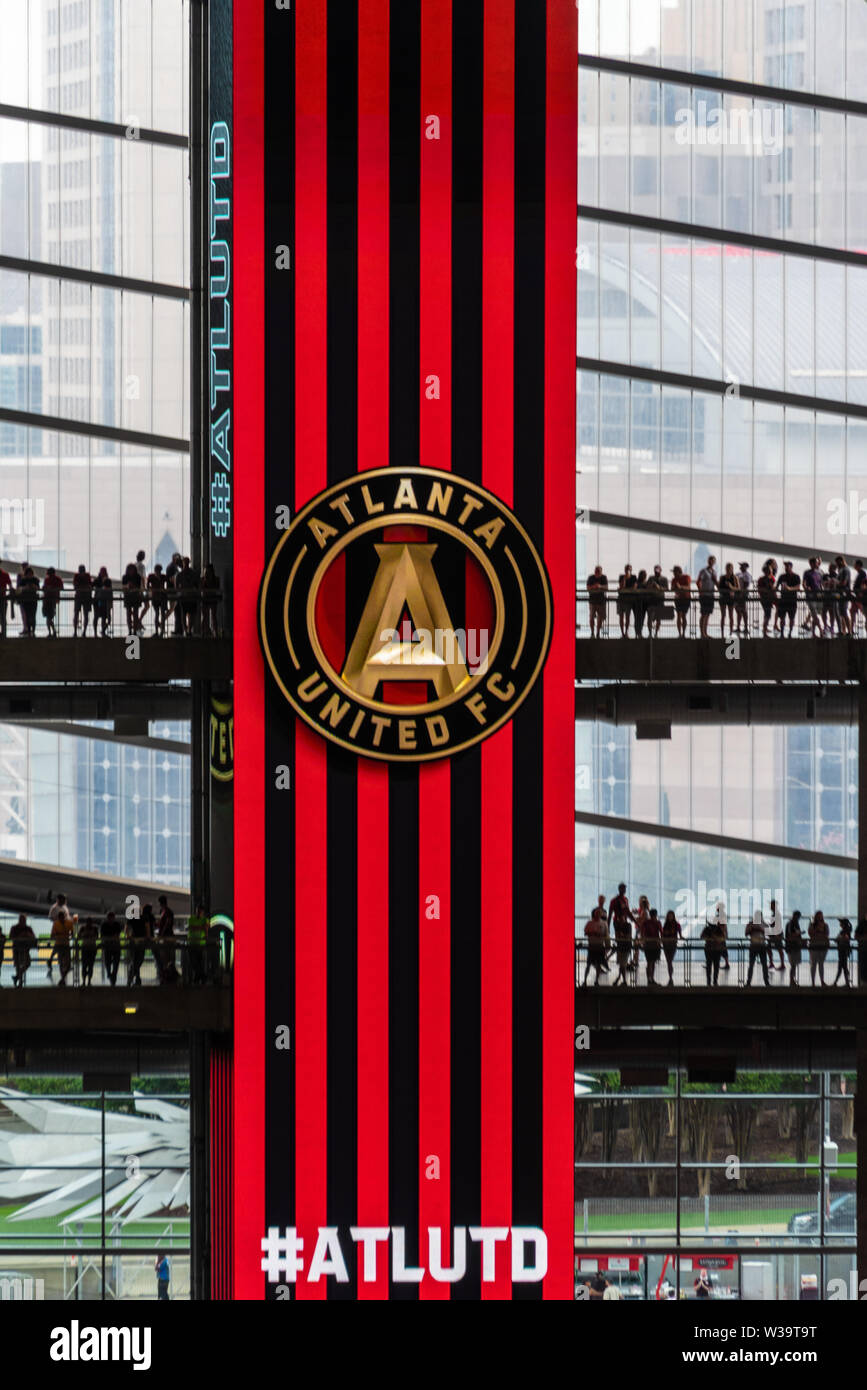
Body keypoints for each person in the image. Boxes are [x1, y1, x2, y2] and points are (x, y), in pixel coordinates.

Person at [581, 907, 607, 987]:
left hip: (599, 946)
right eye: (596, 913)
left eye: (599, 913)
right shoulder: (589, 923)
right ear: (594, 914)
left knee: (598, 964)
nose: (598, 914)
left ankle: (596, 981)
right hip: (592, 946)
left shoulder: (604, 923)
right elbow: (585, 933)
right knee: (588, 964)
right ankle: (585, 980)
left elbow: (605, 934)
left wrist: (600, 935)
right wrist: (592, 933)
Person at [126, 909, 151, 987]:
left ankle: (132, 978)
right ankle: (136, 978)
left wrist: (128, 936)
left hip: (134, 940)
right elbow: (147, 928)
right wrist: (148, 937)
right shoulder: (144, 918)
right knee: (139, 960)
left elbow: (126, 928)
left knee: (135, 960)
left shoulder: (131, 918)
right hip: (141, 940)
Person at [50, 908, 74, 987]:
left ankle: (63, 978)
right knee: (61, 963)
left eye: (62, 917)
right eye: (60, 917)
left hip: (66, 945)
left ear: (64, 917)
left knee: (68, 964)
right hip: (59, 945)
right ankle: (62, 978)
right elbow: (52, 935)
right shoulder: (56, 924)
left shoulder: (69, 923)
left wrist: (67, 935)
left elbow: (72, 933)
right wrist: (59, 935)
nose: (62, 919)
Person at [10, 914, 36, 986]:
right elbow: (11, 937)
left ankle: (18, 976)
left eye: (24, 920)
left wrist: (28, 935)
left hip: (25, 949)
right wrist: (20, 936)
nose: (23, 921)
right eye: (21, 920)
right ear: (19, 920)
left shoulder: (28, 928)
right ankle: (20, 981)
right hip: (17, 949)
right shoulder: (14, 928)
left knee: (27, 963)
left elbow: (33, 937)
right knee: (18, 965)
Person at [745, 910, 770, 986]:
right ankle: (750, 981)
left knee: (763, 965)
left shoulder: (763, 924)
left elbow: (769, 934)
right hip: (756, 945)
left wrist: (760, 930)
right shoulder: (751, 924)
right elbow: (746, 933)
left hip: (759, 945)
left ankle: (765, 981)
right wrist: (752, 929)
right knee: (753, 965)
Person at [187, 902, 209, 986]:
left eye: (200, 911)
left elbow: (205, 928)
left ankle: (197, 978)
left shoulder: (205, 920)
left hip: (200, 944)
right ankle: (203, 976)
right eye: (197, 911)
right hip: (192, 943)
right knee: (193, 962)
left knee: (199, 962)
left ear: (202, 912)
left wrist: (197, 928)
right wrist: (201, 927)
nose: (198, 912)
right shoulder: (192, 919)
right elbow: (191, 928)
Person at [156, 895, 177, 983]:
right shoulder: (167, 911)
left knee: (166, 957)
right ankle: (168, 975)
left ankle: (166, 976)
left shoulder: (165, 912)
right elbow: (165, 924)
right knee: (167, 957)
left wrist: (161, 934)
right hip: (167, 936)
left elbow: (166, 924)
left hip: (166, 937)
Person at [177, 556, 200, 635]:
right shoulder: (180, 575)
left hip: (191, 596)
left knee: (191, 614)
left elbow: (198, 585)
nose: (186, 564)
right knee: (184, 613)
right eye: (185, 562)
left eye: (187, 563)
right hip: (184, 596)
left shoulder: (193, 574)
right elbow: (176, 587)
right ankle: (186, 630)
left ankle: (189, 629)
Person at [700, 916, 726, 986]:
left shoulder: (714, 929)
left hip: (713, 949)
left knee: (713, 965)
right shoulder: (710, 929)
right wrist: (713, 938)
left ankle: (713, 981)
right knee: (713, 965)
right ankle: (712, 981)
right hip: (712, 949)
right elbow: (702, 936)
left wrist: (712, 937)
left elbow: (723, 938)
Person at [802, 557, 825, 636]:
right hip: (810, 595)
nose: (817, 564)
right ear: (811, 564)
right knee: (814, 614)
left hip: (818, 595)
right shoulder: (807, 572)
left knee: (814, 615)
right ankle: (821, 630)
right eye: (815, 562)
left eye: (817, 562)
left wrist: (823, 592)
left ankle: (813, 632)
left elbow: (822, 584)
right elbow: (804, 583)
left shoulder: (820, 572)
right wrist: (806, 588)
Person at [776, 561, 799, 636]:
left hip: (792, 600)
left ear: (791, 567)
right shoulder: (782, 576)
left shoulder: (796, 576)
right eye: (785, 566)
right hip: (783, 600)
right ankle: (782, 632)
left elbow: (798, 587)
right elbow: (776, 587)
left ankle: (790, 632)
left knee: (791, 618)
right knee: (782, 618)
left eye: (787, 566)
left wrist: (789, 588)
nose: (785, 568)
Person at [696, 555, 718, 638]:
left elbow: (715, 582)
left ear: (714, 562)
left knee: (708, 614)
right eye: (710, 560)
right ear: (708, 561)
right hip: (704, 595)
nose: (711, 562)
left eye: (713, 561)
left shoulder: (714, 572)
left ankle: (705, 632)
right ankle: (702, 633)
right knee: (704, 614)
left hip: (711, 595)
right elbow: (698, 581)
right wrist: (700, 591)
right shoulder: (703, 571)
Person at [15, 564, 39, 637]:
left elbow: (38, 587)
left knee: (33, 615)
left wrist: (33, 587)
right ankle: (29, 631)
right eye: (28, 573)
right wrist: (25, 587)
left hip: (32, 599)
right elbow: (19, 588)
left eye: (30, 573)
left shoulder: (35, 579)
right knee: (28, 615)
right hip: (26, 600)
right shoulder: (23, 580)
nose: (29, 575)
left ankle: (32, 631)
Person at [808, 910, 830, 986]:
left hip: (822, 946)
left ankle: (822, 981)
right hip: (814, 946)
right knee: (813, 964)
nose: (819, 917)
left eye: (821, 915)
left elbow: (826, 935)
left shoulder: (825, 925)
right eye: (818, 915)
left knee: (821, 964)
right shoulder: (811, 925)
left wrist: (818, 934)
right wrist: (818, 931)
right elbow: (811, 934)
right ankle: (813, 982)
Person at [101, 910, 122, 986]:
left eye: (112, 918)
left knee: (115, 963)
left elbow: (117, 934)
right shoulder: (105, 925)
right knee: (108, 963)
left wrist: (109, 938)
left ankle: (113, 976)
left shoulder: (116, 924)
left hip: (114, 947)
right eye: (110, 918)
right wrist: (112, 937)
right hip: (109, 947)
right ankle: (110, 974)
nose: (111, 919)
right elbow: (104, 935)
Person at [642, 907, 662, 985]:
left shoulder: (646, 923)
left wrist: (643, 942)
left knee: (650, 963)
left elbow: (643, 933)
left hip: (649, 944)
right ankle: (650, 979)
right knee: (651, 963)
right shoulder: (657, 923)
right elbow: (661, 932)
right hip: (653, 945)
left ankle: (650, 979)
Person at [586, 565, 607, 637]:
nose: (597, 572)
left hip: (601, 601)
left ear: (601, 571)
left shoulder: (604, 577)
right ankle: (592, 632)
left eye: (599, 571)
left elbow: (606, 587)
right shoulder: (591, 577)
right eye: (596, 571)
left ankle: (597, 632)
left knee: (600, 617)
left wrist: (600, 586)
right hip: (592, 600)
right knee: (591, 617)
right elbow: (588, 588)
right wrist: (594, 587)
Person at [662, 909, 682, 986]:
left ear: (673, 916)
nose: (670, 917)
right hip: (666, 944)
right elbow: (663, 934)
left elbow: (680, 934)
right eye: (669, 916)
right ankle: (670, 977)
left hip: (672, 944)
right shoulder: (665, 924)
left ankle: (670, 977)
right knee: (668, 961)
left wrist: (680, 937)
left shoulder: (676, 925)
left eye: (671, 916)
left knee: (669, 961)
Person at [42, 567, 63, 637]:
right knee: (49, 617)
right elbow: (61, 588)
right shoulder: (51, 579)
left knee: (49, 617)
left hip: (50, 599)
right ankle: (52, 631)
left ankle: (52, 631)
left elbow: (61, 588)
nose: (49, 575)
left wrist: (51, 589)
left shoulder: (53, 579)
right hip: (48, 599)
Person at [757, 561, 777, 638]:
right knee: (767, 615)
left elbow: (772, 588)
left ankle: (765, 629)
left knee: (767, 614)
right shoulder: (763, 579)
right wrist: (768, 591)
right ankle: (764, 631)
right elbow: (760, 589)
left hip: (769, 598)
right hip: (765, 599)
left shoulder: (771, 578)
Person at [718, 562, 738, 637]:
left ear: (732, 569)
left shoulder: (734, 577)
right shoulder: (722, 577)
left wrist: (731, 587)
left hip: (731, 598)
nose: (728, 570)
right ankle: (722, 632)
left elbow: (738, 588)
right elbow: (719, 588)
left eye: (730, 568)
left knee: (731, 615)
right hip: (723, 597)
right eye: (727, 568)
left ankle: (731, 631)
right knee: (723, 615)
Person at [122, 562, 142, 636]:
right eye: (130, 570)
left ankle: (134, 630)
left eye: (132, 570)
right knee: (129, 614)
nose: (131, 571)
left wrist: (132, 586)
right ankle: (130, 630)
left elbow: (139, 587)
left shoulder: (138, 577)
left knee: (135, 614)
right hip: (128, 597)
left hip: (135, 596)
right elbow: (123, 587)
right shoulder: (125, 577)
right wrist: (127, 586)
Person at [72, 564, 93, 635]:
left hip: (79, 596)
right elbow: (89, 586)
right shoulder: (87, 576)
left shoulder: (77, 576)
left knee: (77, 613)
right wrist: (85, 587)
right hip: (85, 596)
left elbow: (75, 586)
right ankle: (83, 631)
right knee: (84, 614)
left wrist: (80, 587)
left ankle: (76, 631)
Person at [77, 917, 98, 986]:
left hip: (90, 949)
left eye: (90, 922)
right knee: (85, 966)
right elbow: (79, 936)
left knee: (89, 966)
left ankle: (87, 981)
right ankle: (85, 981)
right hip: (87, 948)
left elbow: (97, 937)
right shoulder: (83, 928)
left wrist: (85, 936)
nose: (89, 923)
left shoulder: (94, 928)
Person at [785, 910, 804, 987]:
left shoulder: (792, 923)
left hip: (794, 946)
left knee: (794, 965)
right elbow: (790, 935)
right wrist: (799, 934)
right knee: (793, 965)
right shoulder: (791, 923)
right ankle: (791, 981)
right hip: (792, 946)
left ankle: (792, 980)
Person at [671, 565, 691, 637]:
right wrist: (674, 587)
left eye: (675, 572)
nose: (674, 574)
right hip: (678, 599)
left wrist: (680, 587)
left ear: (679, 572)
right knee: (679, 615)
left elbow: (688, 587)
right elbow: (672, 589)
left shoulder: (686, 577)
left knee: (683, 615)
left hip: (686, 599)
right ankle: (680, 633)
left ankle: (683, 633)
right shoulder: (674, 579)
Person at [93, 567, 113, 636]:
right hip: (99, 602)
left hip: (103, 602)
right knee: (98, 617)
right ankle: (98, 632)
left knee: (104, 618)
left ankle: (103, 630)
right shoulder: (97, 580)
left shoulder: (107, 581)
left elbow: (110, 593)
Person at [617, 564, 636, 637]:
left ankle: (626, 632)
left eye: (629, 569)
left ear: (631, 570)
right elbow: (622, 587)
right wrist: (624, 579)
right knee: (621, 616)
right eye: (626, 569)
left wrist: (624, 589)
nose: (628, 570)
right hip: (621, 599)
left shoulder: (633, 577)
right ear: (624, 570)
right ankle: (622, 633)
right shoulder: (622, 577)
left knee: (627, 616)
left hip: (628, 599)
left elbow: (634, 588)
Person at [767, 898, 785, 972]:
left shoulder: (776, 914)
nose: (770, 906)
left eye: (771, 905)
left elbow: (775, 925)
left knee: (779, 949)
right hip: (775, 934)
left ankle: (781, 964)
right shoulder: (775, 914)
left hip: (776, 934)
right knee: (770, 948)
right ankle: (772, 963)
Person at [835, 917, 853, 987]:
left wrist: (839, 939)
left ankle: (836, 983)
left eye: (841, 922)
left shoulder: (845, 931)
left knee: (842, 967)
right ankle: (846, 983)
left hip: (843, 950)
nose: (840, 924)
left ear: (843, 924)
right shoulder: (846, 931)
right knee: (844, 967)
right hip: (843, 950)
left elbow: (844, 939)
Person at [734, 561, 751, 636]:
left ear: (746, 567)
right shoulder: (738, 574)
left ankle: (746, 627)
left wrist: (741, 593)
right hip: (737, 593)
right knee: (738, 610)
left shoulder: (747, 575)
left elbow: (746, 585)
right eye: (740, 566)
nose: (740, 567)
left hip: (743, 594)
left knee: (743, 610)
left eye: (742, 566)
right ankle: (738, 626)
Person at [633, 570, 649, 638]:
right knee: (637, 618)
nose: (643, 576)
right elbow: (634, 589)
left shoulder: (646, 583)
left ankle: (639, 633)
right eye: (642, 575)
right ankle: (638, 633)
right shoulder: (637, 582)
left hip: (644, 602)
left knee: (641, 618)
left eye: (644, 575)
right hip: (637, 602)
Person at [0, 562, 11, 638]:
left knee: (3, 617)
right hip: (3, 599)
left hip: (3, 599)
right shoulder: (5, 574)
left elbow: (10, 586)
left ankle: (3, 633)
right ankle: (4, 634)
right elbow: (10, 587)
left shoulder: (5, 574)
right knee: (3, 617)